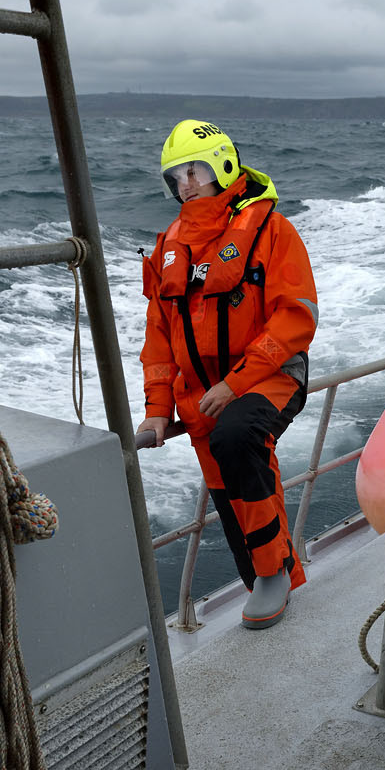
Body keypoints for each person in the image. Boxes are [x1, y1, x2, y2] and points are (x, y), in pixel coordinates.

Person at [136, 120, 318, 629]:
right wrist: (157, 409)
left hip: (271, 375)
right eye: (176, 176)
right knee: (225, 487)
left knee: (238, 437)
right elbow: (158, 336)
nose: (186, 184)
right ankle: (266, 577)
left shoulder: (272, 231)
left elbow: (297, 317)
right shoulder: (169, 247)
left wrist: (235, 383)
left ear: (223, 164)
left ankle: (274, 573)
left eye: (194, 170)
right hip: (200, 394)